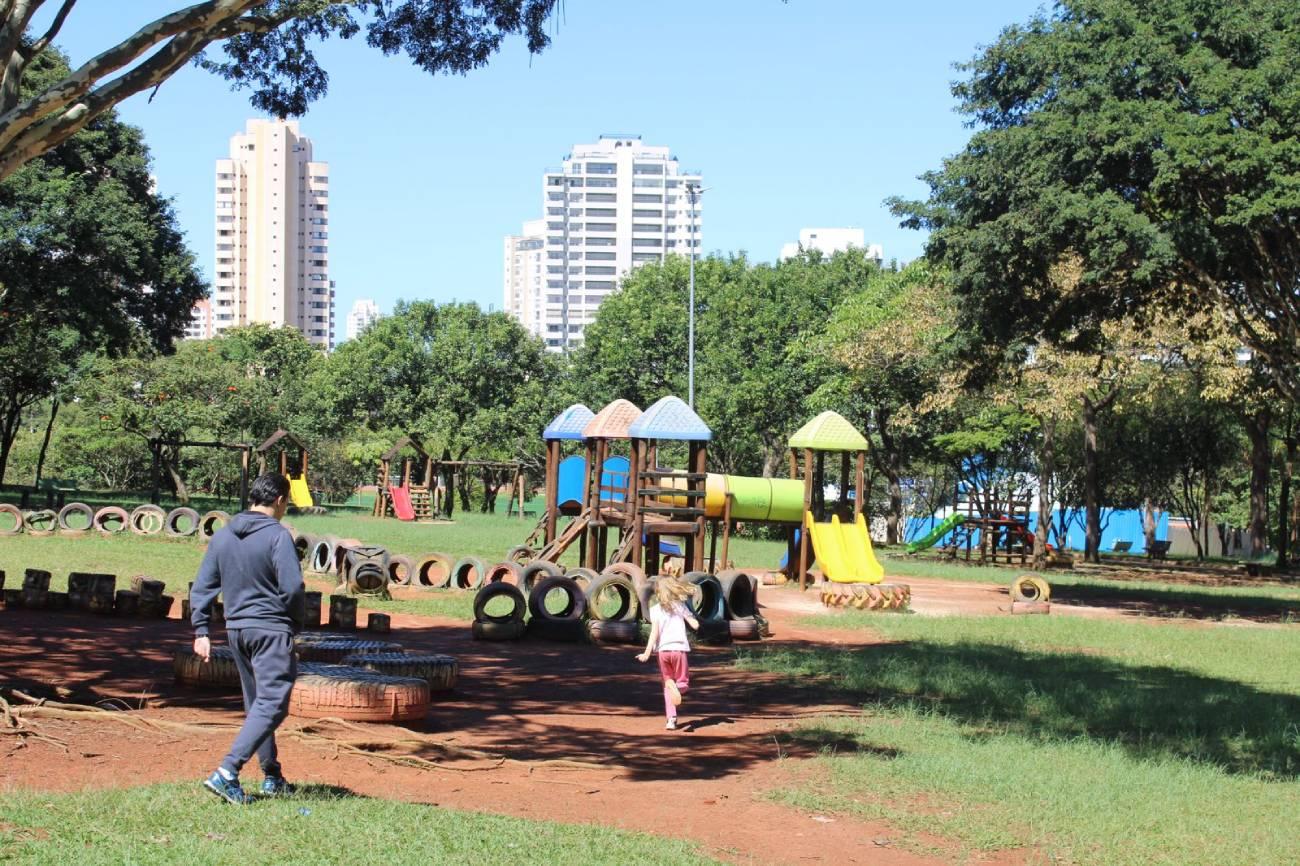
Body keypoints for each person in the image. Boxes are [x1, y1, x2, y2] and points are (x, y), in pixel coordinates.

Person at [191, 473, 306, 805]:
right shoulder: (278, 536)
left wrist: (201, 630)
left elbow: (203, 585)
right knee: (273, 703)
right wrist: (294, 624)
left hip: (236, 630)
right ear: (281, 500)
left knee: (258, 704)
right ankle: (227, 773)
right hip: (270, 629)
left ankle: (272, 775)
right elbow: (293, 588)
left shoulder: (224, 535)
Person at [636, 575, 699, 730]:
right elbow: (695, 625)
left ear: (657, 592)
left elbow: (654, 633)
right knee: (683, 682)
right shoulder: (680, 606)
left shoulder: (654, 610)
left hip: (662, 652)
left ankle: (671, 719)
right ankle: (677, 688)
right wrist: (695, 621)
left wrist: (646, 653)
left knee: (667, 685)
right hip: (679, 649)